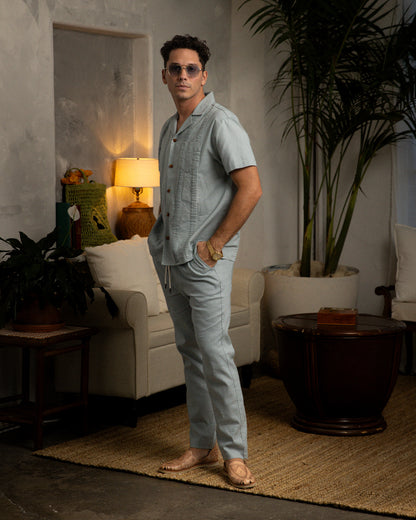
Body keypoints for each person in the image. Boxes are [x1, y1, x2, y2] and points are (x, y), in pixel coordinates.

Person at [148, 34, 262, 489]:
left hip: (205, 262)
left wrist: (215, 244)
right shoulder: (168, 127)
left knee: (216, 354)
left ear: (204, 76)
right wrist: (160, 243)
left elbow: (251, 188)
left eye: (191, 68)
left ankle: (235, 455)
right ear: (165, 75)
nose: (182, 76)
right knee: (191, 353)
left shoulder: (221, 122)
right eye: (175, 68)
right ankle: (202, 444)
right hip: (171, 260)